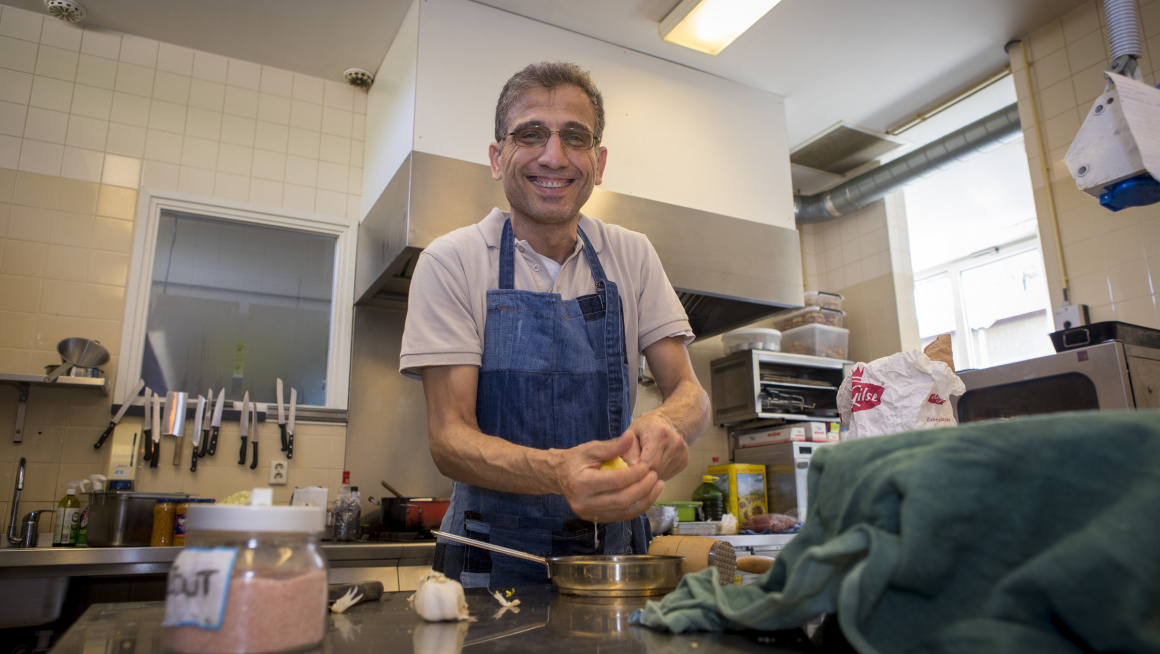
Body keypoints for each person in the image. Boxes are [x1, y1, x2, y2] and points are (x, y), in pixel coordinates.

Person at [400, 61, 710, 588]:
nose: (553, 155)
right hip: (485, 558)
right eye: (531, 134)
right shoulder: (451, 261)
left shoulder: (632, 256)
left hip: (612, 561)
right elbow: (448, 437)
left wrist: (667, 426)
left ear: (598, 161)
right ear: (498, 158)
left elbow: (689, 392)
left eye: (574, 137)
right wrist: (557, 472)